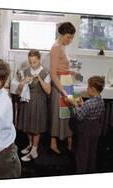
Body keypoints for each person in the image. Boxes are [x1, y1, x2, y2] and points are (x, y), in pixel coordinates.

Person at [16, 49, 51, 161]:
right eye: (30, 62)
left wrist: (40, 79)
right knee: (27, 127)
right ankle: (31, 144)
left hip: (39, 102)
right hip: (27, 102)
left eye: (34, 62)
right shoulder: (25, 71)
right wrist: (22, 83)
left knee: (36, 127)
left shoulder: (45, 72)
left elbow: (48, 91)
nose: (32, 64)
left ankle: (34, 150)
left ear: (39, 60)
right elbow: (18, 91)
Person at [69, 76, 105, 173]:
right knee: (92, 152)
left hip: (86, 129)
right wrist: (82, 104)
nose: (86, 89)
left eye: (88, 87)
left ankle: (81, 171)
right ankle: (90, 170)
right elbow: (91, 111)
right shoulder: (101, 101)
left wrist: (75, 105)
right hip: (96, 127)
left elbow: (80, 116)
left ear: (92, 89)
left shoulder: (88, 103)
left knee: (82, 152)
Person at [49, 22, 76, 154]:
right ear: (61, 34)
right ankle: (53, 143)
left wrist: (71, 73)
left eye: (72, 37)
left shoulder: (63, 45)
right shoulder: (56, 47)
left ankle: (69, 141)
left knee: (69, 113)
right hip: (60, 85)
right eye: (68, 37)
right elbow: (53, 73)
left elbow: (62, 67)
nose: (70, 40)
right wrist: (63, 91)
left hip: (67, 82)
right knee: (57, 115)